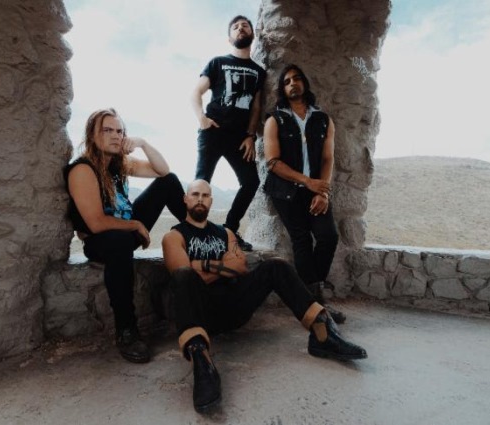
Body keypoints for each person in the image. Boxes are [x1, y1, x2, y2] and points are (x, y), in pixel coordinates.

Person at [162, 180, 367, 414]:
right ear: (185, 199)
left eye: (205, 195)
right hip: (202, 314)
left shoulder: (225, 233)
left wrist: (202, 265)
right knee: (184, 276)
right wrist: (222, 267)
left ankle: (322, 331)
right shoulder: (174, 236)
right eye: (195, 194)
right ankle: (202, 364)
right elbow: (183, 273)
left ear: (211, 201)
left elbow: (240, 266)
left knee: (276, 266)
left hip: (235, 307)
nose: (200, 199)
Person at [64, 108, 186, 364]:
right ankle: (126, 330)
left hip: (127, 228)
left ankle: (202, 237)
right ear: (92, 135)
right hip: (102, 240)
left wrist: (142, 143)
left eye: (119, 131)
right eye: (107, 130)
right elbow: (96, 223)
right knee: (118, 242)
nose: (115, 136)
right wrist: (135, 225)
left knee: (169, 182)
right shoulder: (83, 169)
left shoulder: (120, 164)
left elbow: (163, 170)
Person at [262, 64, 345, 322]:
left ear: (304, 83)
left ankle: (309, 297)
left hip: (316, 190)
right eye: (286, 81)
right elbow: (272, 162)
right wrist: (307, 182)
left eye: (297, 78)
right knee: (301, 240)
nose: (292, 83)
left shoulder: (323, 120)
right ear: (282, 89)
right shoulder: (274, 120)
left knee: (328, 236)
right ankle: (316, 304)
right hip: (286, 191)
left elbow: (328, 158)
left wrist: (323, 192)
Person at [190, 15, 267, 251]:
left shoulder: (258, 71)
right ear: (229, 37)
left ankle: (230, 230)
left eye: (245, 26)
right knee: (201, 183)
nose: (240, 28)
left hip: (239, 138)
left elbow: (256, 107)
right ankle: (194, 235)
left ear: (252, 34)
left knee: (251, 182)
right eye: (235, 27)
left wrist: (251, 135)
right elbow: (196, 92)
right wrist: (202, 119)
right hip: (213, 131)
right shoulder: (217, 62)